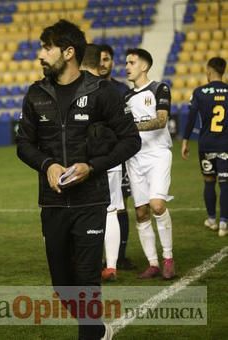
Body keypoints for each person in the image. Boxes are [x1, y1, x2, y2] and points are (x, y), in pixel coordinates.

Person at [16, 20, 141, 340]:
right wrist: (47, 165)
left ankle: (89, 333)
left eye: (47, 48)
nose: (40, 54)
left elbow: (131, 140)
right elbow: (24, 145)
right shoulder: (35, 94)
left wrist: (92, 167)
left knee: (86, 278)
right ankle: (98, 329)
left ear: (68, 52)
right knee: (62, 285)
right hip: (52, 200)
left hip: (91, 200)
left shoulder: (103, 92)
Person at [124, 48, 176, 280]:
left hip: (157, 154)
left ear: (144, 66)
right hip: (134, 158)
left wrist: (132, 128)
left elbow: (161, 120)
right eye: (126, 62)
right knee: (141, 212)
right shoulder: (125, 98)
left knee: (156, 205)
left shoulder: (159, 88)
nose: (127, 66)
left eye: (132, 62)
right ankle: (153, 264)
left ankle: (168, 258)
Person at [80, 44, 122, 281]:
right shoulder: (114, 90)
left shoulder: (80, 89)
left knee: (86, 212)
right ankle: (112, 265)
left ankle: (89, 264)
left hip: (86, 161)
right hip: (112, 159)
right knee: (111, 210)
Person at [181, 57, 228, 236]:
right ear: (222, 71)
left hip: (206, 145)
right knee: (225, 184)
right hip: (226, 145)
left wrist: (185, 140)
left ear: (209, 71)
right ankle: (224, 222)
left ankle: (211, 219)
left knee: (209, 181)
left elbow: (191, 117)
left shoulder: (200, 91)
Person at [99, 44, 136, 271]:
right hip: (94, 157)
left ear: (112, 62)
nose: (103, 63)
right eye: (100, 59)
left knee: (120, 206)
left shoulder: (122, 91)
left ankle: (118, 257)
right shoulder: (87, 88)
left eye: (107, 59)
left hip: (118, 158)